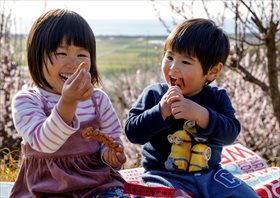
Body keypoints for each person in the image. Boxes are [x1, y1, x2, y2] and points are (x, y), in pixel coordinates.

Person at [125, 18, 258, 197]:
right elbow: (133, 132)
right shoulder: (155, 94)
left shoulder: (216, 97)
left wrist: (201, 115)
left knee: (246, 195)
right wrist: (161, 111)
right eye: (170, 57)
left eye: (186, 62)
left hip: (210, 175)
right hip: (163, 175)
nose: (173, 68)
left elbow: (230, 133)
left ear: (212, 71)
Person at [11, 9, 126, 198]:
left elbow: (111, 137)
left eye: (82, 55)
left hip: (97, 183)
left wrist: (112, 155)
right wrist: (68, 102)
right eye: (61, 53)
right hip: (47, 187)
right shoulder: (28, 101)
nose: (73, 63)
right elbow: (45, 143)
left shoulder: (98, 100)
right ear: (36, 57)